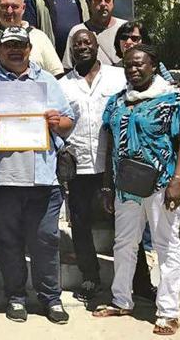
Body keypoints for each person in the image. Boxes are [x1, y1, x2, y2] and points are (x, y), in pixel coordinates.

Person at [0, 26, 75, 325]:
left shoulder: (47, 81)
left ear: (30, 48)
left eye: (21, 45)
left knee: (45, 240)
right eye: (8, 46)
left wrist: (57, 122)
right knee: (8, 242)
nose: (15, 50)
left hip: (44, 177)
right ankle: (15, 296)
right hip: (1, 181)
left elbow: (68, 121)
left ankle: (51, 298)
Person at [93, 44, 180, 336]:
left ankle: (167, 312)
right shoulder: (117, 101)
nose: (133, 69)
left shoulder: (175, 98)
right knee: (124, 243)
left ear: (154, 65)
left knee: (165, 245)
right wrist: (107, 185)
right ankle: (121, 300)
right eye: (128, 65)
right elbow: (111, 142)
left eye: (139, 64)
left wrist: (176, 182)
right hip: (127, 185)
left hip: (163, 183)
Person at [58, 30, 127, 301]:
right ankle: (90, 276)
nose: (83, 47)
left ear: (97, 45)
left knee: (122, 225)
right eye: (77, 45)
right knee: (80, 223)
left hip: (113, 165)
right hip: (79, 167)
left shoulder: (118, 77)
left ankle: (138, 279)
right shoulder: (63, 85)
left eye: (88, 42)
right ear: (71, 51)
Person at [62, 0, 128, 69]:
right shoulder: (77, 31)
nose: (103, 4)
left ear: (113, 2)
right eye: (98, 0)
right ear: (89, 3)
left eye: (107, 0)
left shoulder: (126, 29)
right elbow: (68, 67)